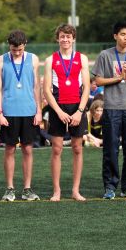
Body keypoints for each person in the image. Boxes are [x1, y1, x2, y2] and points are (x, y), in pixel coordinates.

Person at [92, 21, 126, 199]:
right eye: (123, 34)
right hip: (112, 108)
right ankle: (110, 187)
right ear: (115, 36)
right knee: (111, 149)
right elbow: (98, 81)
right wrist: (118, 78)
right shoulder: (105, 55)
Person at [43, 24, 90, 202]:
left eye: (68, 37)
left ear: (73, 39)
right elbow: (46, 90)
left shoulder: (82, 58)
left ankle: (75, 190)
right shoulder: (50, 60)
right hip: (58, 108)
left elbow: (86, 88)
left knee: (77, 149)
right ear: (58, 38)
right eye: (62, 36)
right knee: (57, 149)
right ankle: (57, 191)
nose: (65, 39)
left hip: (77, 107)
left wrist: (80, 111)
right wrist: (58, 112)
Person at [0, 30, 42, 202]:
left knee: (28, 149)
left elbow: (37, 87)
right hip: (9, 111)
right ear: (9, 45)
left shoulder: (34, 59)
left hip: (29, 111)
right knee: (9, 150)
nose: (17, 53)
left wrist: (39, 111)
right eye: (14, 50)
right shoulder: (0, 60)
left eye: (20, 49)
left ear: (25, 44)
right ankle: (10, 189)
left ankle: (27, 189)